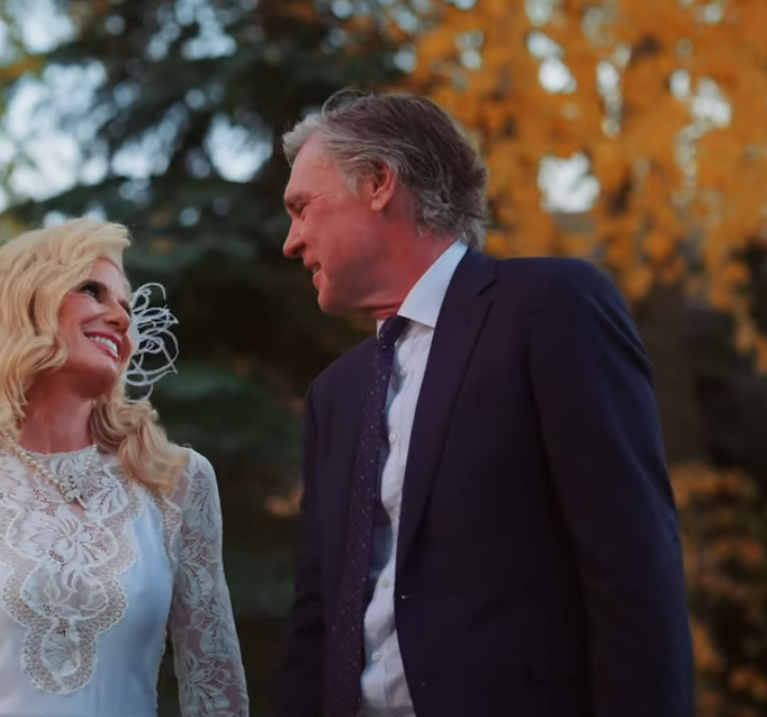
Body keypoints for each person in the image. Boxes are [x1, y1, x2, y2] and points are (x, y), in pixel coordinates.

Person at [275, 89, 693, 717]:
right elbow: (317, 611)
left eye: (302, 208)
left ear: (379, 183)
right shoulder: (334, 393)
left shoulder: (552, 308)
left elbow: (633, 567)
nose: (291, 241)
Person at [0, 218, 248, 717]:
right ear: (23, 306)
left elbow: (217, 696)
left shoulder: (177, 482)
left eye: (125, 305)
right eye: (92, 291)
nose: (121, 318)